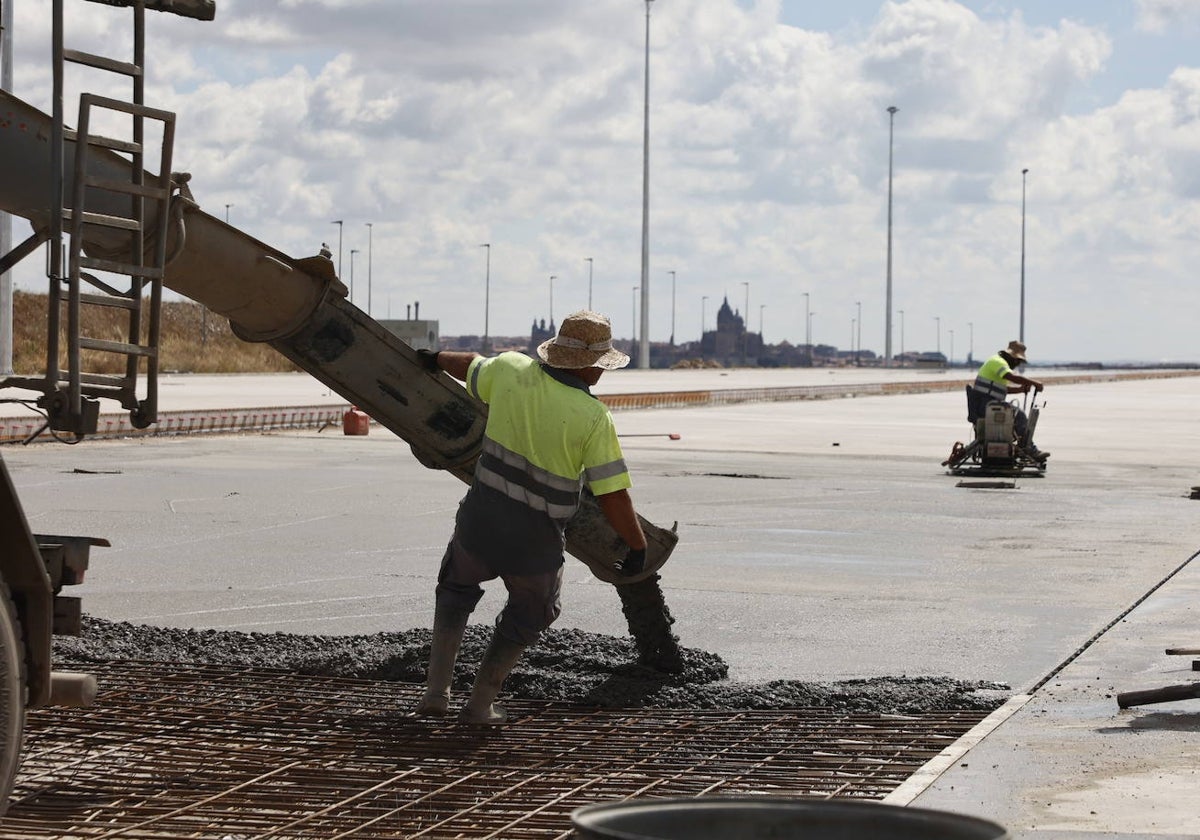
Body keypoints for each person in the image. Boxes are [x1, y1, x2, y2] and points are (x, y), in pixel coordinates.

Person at [412, 310, 648, 725]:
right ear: (593, 366)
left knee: (455, 589)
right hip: (534, 540)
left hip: (480, 520)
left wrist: (433, 358)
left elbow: (467, 362)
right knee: (532, 611)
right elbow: (613, 495)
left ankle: (436, 693)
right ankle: (480, 705)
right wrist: (637, 545)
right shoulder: (593, 417)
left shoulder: (511, 369)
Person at [970, 339, 1049, 460]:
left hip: (988, 403)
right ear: (1011, 356)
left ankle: (1023, 446)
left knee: (1016, 413)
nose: (1017, 364)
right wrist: (1034, 383)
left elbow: (1000, 389)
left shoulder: (1000, 363)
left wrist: (1021, 390)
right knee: (1020, 415)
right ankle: (1028, 448)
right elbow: (1011, 377)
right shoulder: (997, 361)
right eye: (1017, 360)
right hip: (985, 405)